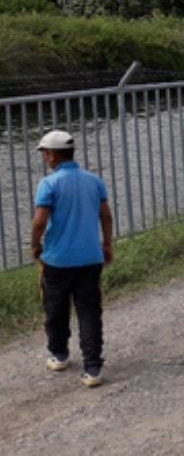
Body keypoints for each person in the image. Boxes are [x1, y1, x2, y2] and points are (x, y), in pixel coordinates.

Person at [31, 130, 113, 388]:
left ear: (53, 155)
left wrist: (35, 246)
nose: (44, 158)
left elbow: (40, 221)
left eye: (44, 153)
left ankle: (59, 354)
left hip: (57, 259)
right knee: (89, 310)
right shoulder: (94, 181)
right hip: (90, 256)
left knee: (55, 309)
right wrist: (107, 244)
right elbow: (106, 216)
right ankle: (93, 368)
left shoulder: (49, 184)